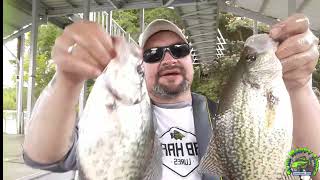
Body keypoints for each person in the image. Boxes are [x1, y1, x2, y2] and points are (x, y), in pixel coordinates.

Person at [22, 13, 320, 180]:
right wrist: (65, 81)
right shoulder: (117, 122)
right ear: (143, 67)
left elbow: (307, 168)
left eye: (178, 50)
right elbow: (43, 155)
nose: (167, 58)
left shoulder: (227, 117)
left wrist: (300, 87)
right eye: (152, 54)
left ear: (192, 60)